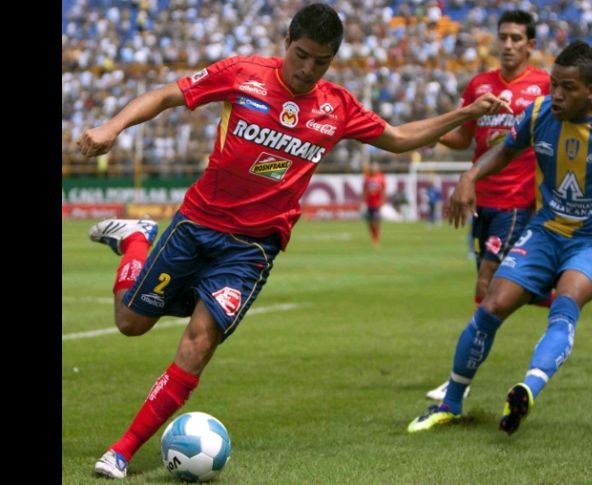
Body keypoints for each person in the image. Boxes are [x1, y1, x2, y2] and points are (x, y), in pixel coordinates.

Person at [76, 3, 512, 479]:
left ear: (332, 59)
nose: (307, 69)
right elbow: (166, 96)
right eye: (301, 55)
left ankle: (121, 451)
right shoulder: (242, 74)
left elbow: (400, 138)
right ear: (287, 42)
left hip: (251, 249)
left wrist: (465, 113)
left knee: (199, 343)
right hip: (195, 225)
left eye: (320, 61)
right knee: (130, 322)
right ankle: (137, 240)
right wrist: (113, 126)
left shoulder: (337, 106)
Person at [408, 40, 592, 435]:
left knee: (566, 302)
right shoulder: (539, 113)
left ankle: (527, 389)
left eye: (567, 87)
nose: (557, 95)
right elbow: (506, 152)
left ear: (590, 91)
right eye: (553, 85)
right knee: (491, 305)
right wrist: (470, 176)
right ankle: (451, 404)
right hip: (545, 231)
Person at [425, 10, 551, 401]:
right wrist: (429, 133)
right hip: (483, 202)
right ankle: (548, 290)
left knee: (485, 283)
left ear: (531, 44)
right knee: (495, 287)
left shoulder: (546, 86)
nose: (508, 45)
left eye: (517, 38)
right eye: (504, 37)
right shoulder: (480, 86)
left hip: (518, 202)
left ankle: (459, 379)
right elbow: (464, 138)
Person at [363, 162, 386, 245]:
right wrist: (363, 200)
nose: (373, 169)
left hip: (377, 203)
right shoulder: (367, 178)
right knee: (369, 221)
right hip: (369, 203)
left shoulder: (381, 177)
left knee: (376, 220)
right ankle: (373, 235)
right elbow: (364, 190)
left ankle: (376, 236)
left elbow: (383, 191)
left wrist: (382, 201)